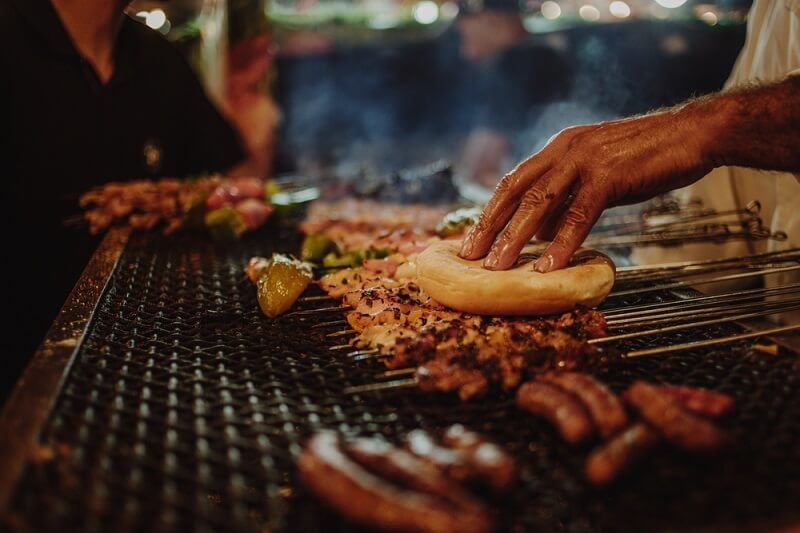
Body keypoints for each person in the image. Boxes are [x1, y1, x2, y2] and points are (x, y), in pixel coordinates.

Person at [0, 0, 254, 404]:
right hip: (19, 375)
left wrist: (256, 114)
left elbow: (235, 177)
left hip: (148, 365)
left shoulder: (156, 59)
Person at [459, 0, 799, 289]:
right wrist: (660, 260)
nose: (459, 28)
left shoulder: (522, 61)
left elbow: (720, 132)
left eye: (465, 13)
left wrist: (694, 131)